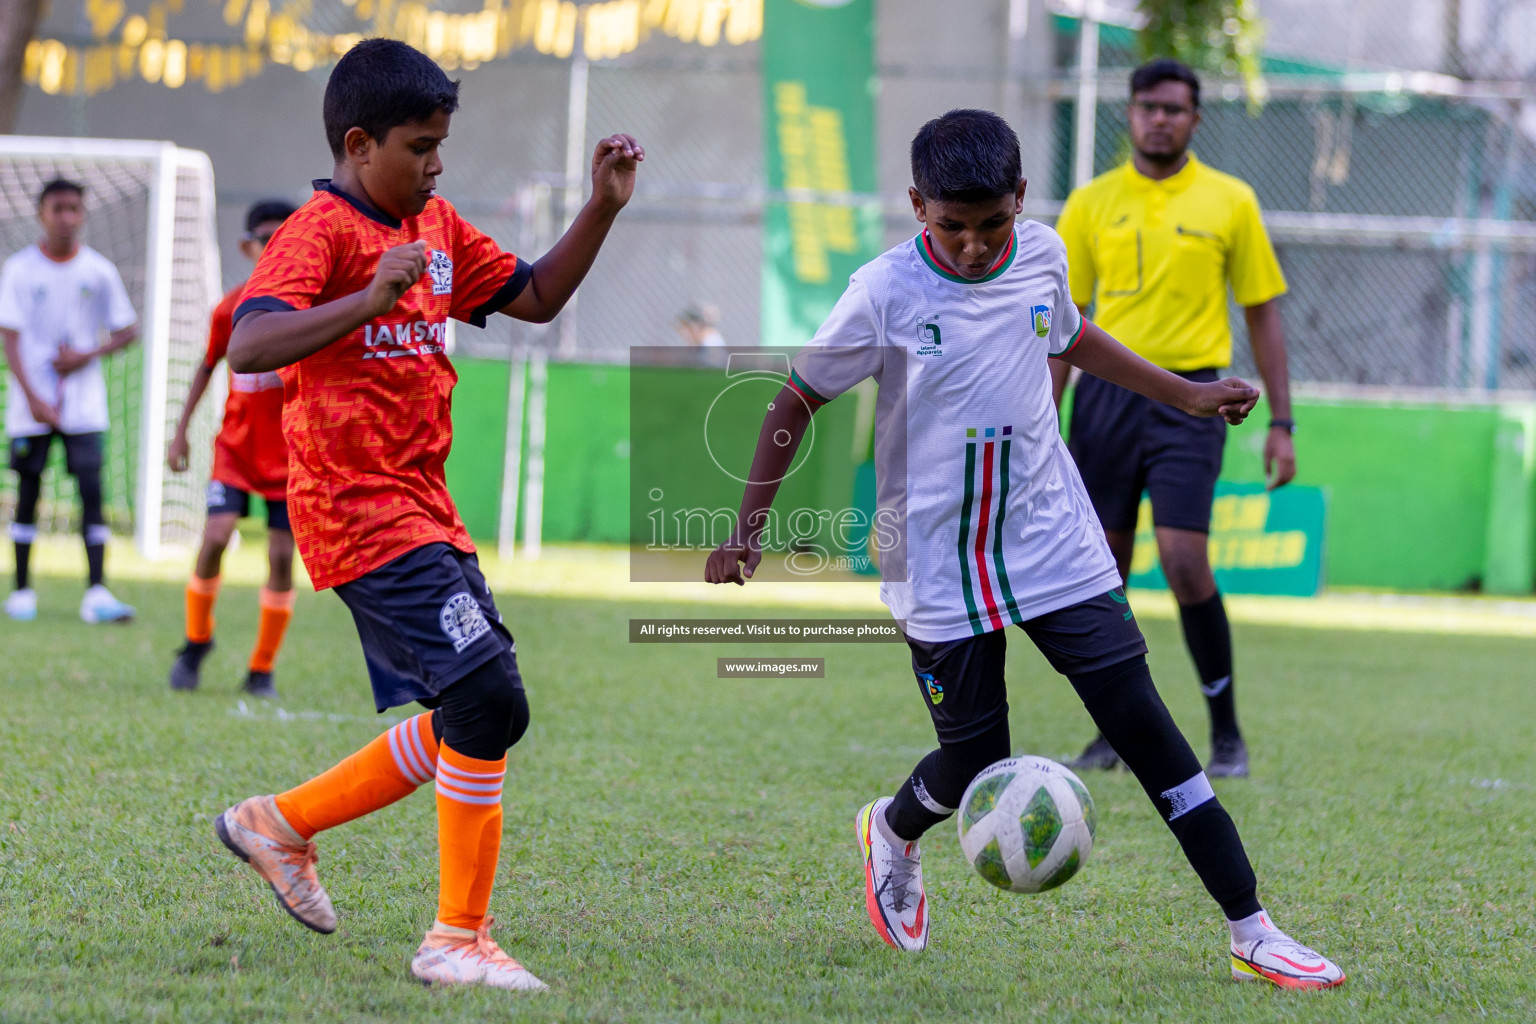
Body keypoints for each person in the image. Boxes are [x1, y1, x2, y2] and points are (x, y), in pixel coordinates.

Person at [705, 109, 1343, 990]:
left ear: (1020, 201)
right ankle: (892, 831)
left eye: (990, 224)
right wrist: (748, 526)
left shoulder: (1043, 253)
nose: (972, 246)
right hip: (934, 559)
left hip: (1053, 542)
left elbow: (1071, 336)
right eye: (950, 226)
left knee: (1145, 729)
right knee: (974, 758)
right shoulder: (883, 292)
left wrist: (1185, 399)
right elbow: (793, 400)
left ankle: (1252, 929)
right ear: (917, 206)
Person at [211, 39, 642, 991]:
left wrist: (601, 208)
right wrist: (367, 299)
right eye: (420, 146)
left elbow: (532, 296)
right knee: (489, 698)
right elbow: (249, 343)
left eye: (443, 144)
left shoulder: (438, 224)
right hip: (354, 512)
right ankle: (456, 938)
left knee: (476, 705)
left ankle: (277, 824)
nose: (437, 164)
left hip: (425, 510)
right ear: (360, 145)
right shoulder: (319, 233)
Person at [1053, 59, 1296, 779]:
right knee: (1104, 572)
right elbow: (1064, 326)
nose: (1160, 118)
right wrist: (1037, 418)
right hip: (1104, 399)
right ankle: (1113, 733)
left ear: (1194, 119)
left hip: (1194, 398)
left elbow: (1263, 315)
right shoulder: (1090, 203)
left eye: (1175, 109)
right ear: (1128, 114)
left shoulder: (1231, 201)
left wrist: (1283, 424)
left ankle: (1226, 735)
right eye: (1148, 107)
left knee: (1187, 562)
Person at [166, 199, 299, 698]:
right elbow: (206, 367)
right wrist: (180, 432)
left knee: (282, 557)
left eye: (283, 236)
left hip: (290, 455)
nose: (273, 246)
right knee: (216, 536)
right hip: (237, 450)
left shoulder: (310, 304)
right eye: (265, 238)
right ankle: (196, 641)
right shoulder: (232, 307)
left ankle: (262, 667)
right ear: (249, 246)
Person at [1, 179, 138, 624]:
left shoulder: (97, 271)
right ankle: (21, 592)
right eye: (58, 208)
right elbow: (10, 337)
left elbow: (127, 329)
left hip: (83, 406)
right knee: (28, 492)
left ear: (83, 215)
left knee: (92, 493)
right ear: (41, 214)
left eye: (74, 209)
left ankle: (96, 592)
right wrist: (34, 397)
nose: (66, 217)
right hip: (32, 405)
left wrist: (87, 354)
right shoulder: (20, 270)